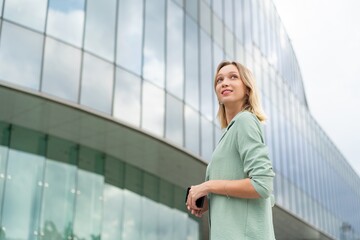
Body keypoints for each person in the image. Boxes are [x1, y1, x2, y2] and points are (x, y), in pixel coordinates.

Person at [186, 60, 276, 239]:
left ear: (247, 88)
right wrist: (207, 201)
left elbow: (262, 185)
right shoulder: (230, 132)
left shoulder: (245, 121)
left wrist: (208, 186)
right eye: (219, 80)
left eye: (233, 77)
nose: (224, 82)